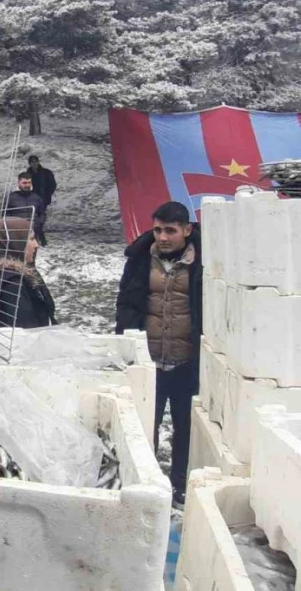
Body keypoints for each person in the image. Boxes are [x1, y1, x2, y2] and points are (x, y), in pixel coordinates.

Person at [115, 201, 202, 508]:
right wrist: (126, 342)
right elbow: (126, 302)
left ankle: (180, 484)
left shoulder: (202, 262)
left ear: (186, 230)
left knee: (185, 428)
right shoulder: (140, 260)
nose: (163, 237)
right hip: (149, 362)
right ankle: (145, 484)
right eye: (157, 230)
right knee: (143, 427)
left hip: (186, 362)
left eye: (170, 230)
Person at [5, 171, 48, 246]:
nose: (27, 185)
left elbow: (42, 213)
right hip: (16, 234)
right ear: (18, 183)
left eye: (29, 182)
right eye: (24, 183)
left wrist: (39, 223)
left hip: (33, 233)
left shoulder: (36, 198)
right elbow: (4, 215)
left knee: (31, 255)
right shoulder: (11, 198)